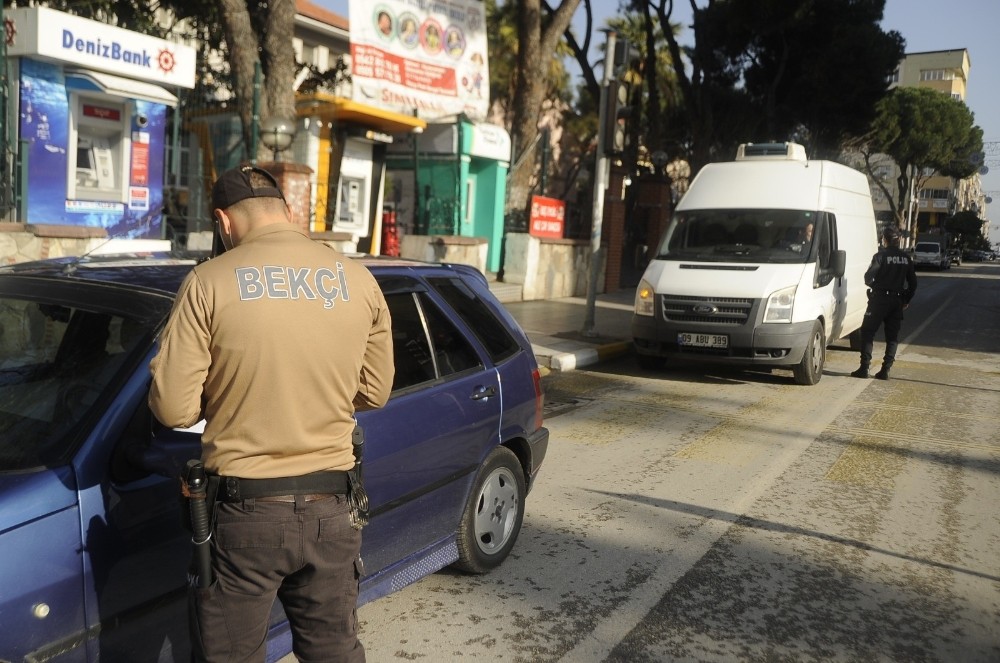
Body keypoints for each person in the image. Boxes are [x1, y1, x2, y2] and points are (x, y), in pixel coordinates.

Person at [149, 165, 394, 662]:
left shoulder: (207, 283)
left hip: (246, 515)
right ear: (287, 212)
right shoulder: (358, 279)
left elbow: (173, 409)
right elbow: (375, 390)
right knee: (334, 652)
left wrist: (232, 396)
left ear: (223, 221)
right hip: (334, 508)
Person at [851, 225, 917, 380]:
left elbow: (868, 278)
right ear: (899, 240)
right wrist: (905, 299)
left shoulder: (880, 256)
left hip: (879, 299)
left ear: (885, 240)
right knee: (892, 337)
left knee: (868, 332)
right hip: (897, 301)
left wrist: (877, 287)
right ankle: (885, 370)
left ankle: (864, 368)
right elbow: (913, 284)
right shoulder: (906, 258)